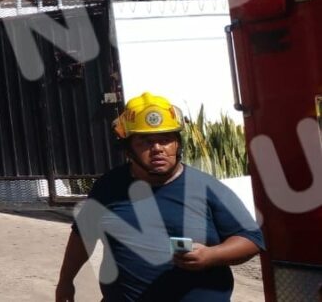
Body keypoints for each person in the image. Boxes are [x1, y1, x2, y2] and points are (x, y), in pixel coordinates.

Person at [54, 92, 263, 301]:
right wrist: (65, 282)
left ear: (177, 144)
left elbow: (251, 239)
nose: (157, 149)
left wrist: (211, 256)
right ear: (128, 149)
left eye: (166, 140)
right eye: (145, 142)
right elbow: (83, 236)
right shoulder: (108, 187)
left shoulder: (206, 187)